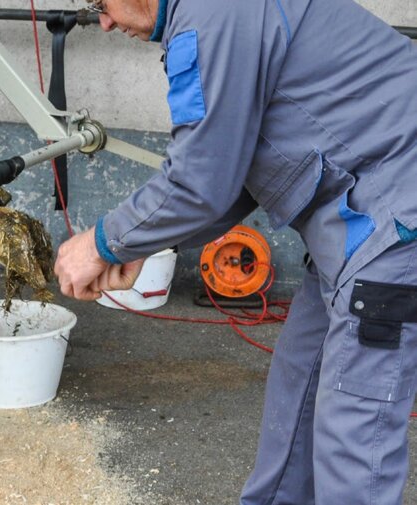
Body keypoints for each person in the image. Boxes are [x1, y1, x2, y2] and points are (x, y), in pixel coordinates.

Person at [54, 0, 417, 503]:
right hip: (356, 230)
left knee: (354, 437)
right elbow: (234, 171)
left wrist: (102, 243)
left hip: (396, 230)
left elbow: (202, 180)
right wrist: (144, 242)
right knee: (299, 392)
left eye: (102, 4)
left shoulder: (216, 13)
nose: (106, 22)